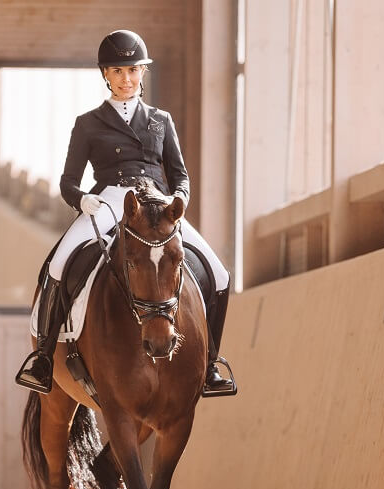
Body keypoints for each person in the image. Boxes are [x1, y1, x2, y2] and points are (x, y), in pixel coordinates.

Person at [15, 29, 236, 397]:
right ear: (106, 74)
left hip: (157, 205)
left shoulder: (160, 121)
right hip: (107, 202)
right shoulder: (88, 123)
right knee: (56, 265)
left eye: (133, 70)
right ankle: (42, 357)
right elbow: (68, 181)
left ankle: (211, 362)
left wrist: (177, 200)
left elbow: (180, 176)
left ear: (142, 73)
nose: (126, 79)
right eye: (118, 71)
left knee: (219, 272)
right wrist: (82, 199)